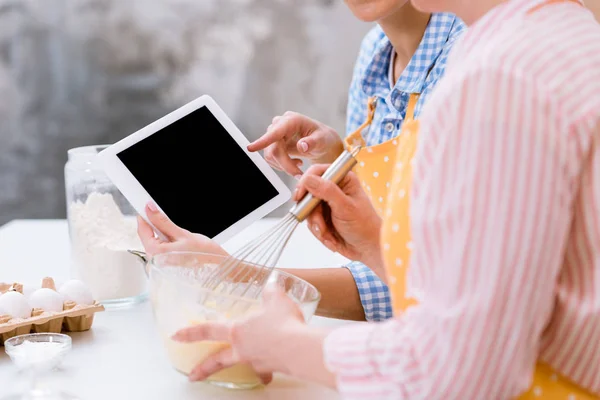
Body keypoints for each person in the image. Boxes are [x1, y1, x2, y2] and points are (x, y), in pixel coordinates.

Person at [164, 0, 600, 398]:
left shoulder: (500, 77)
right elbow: (500, 292)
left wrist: (288, 346)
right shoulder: (560, 29)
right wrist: (378, 245)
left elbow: (465, 370)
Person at [138, 1, 466, 323]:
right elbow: (389, 241)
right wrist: (336, 157)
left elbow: (430, 288)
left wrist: (233, 275)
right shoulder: (376, 52)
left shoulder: (469, 67)